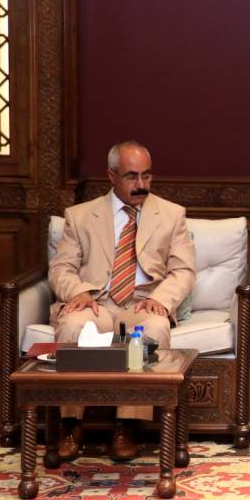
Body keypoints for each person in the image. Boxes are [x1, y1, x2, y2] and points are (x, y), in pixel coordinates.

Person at [48, 141, 195, 460]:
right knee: (72, 326)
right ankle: (71, 425)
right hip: (96, 302)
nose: (141, 184)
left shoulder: (172, 214)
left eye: (147, 175)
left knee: (154, 330)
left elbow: (183, 270)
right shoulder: (80, 216)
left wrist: (161, 299)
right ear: (111, 176)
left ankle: (127, 426)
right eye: (131, 176)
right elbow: (61, 268)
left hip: (142, 303)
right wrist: (77, 292)